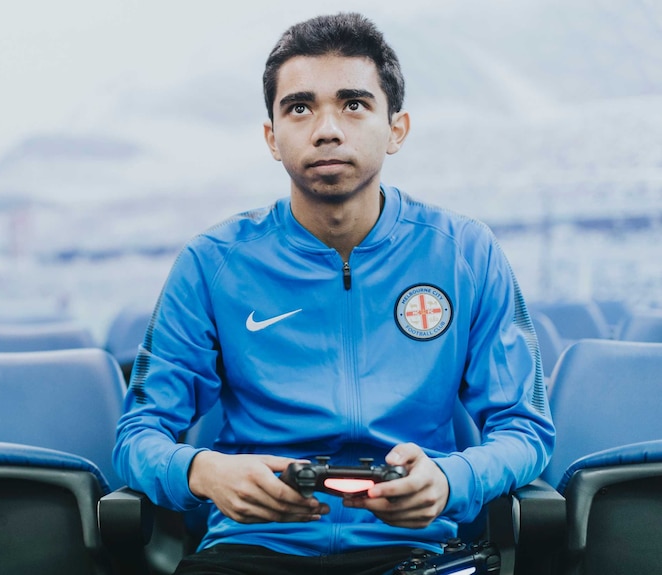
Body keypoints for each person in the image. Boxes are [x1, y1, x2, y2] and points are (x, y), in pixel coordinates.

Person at [113, 11, 555, 575]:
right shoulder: (212, 263)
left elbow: (525, 427)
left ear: (396, 128)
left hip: (415, 550)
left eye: (354, 104)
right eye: (300, 107)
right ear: (272, 138)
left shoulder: (465, 252)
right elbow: (137, 436)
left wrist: (452, 479)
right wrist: (202, 472)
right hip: (252, 550)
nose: (327, 128)